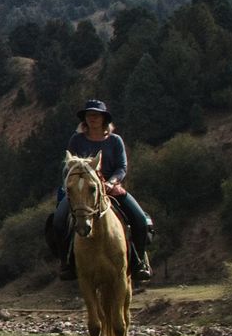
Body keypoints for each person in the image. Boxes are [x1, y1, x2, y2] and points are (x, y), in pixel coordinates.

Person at [50, 98, 154, 284]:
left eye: (96, 115)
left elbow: (122, 166)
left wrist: (112, 183)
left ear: (104, 119)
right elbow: (69, 166)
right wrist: (72, 185)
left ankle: (139, 262)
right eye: (89, 115)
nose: (92, 118)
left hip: (110, 188)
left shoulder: (115, 141)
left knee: (139, 219)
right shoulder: (77, 140)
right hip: (81, 191)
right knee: (58, 221)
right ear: (85, 119)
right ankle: (66, 263)